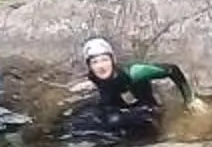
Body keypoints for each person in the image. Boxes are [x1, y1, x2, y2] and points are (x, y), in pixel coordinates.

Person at [59, 35, 194, 141]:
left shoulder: (134, 72)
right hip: (119, 110)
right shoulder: (93, 78)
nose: (101, 66)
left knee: (116, 122)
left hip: (146, 110)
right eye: (95, 62)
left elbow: (172, 69)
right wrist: (90, 85)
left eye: (105, 60)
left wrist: (190, 100)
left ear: (113, 61)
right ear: (89, 66)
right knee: (78, 121)